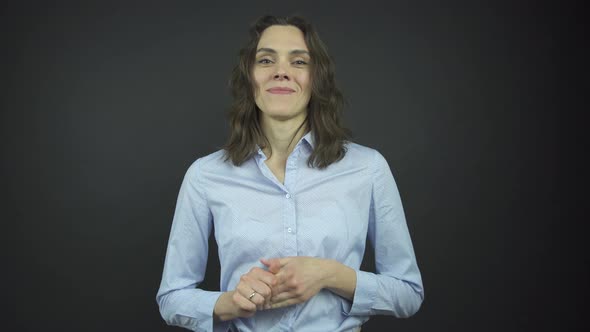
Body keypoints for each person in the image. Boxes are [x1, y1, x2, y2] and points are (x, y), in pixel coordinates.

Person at [156, 14, 424, 332]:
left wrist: (328, 274)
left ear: (317, 78)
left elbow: (408, 294)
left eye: (299, 62)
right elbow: (172, 298)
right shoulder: (204, 176)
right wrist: (230, 303)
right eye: (266, 60)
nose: (281, 72)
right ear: (249, 77)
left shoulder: (368, 168)